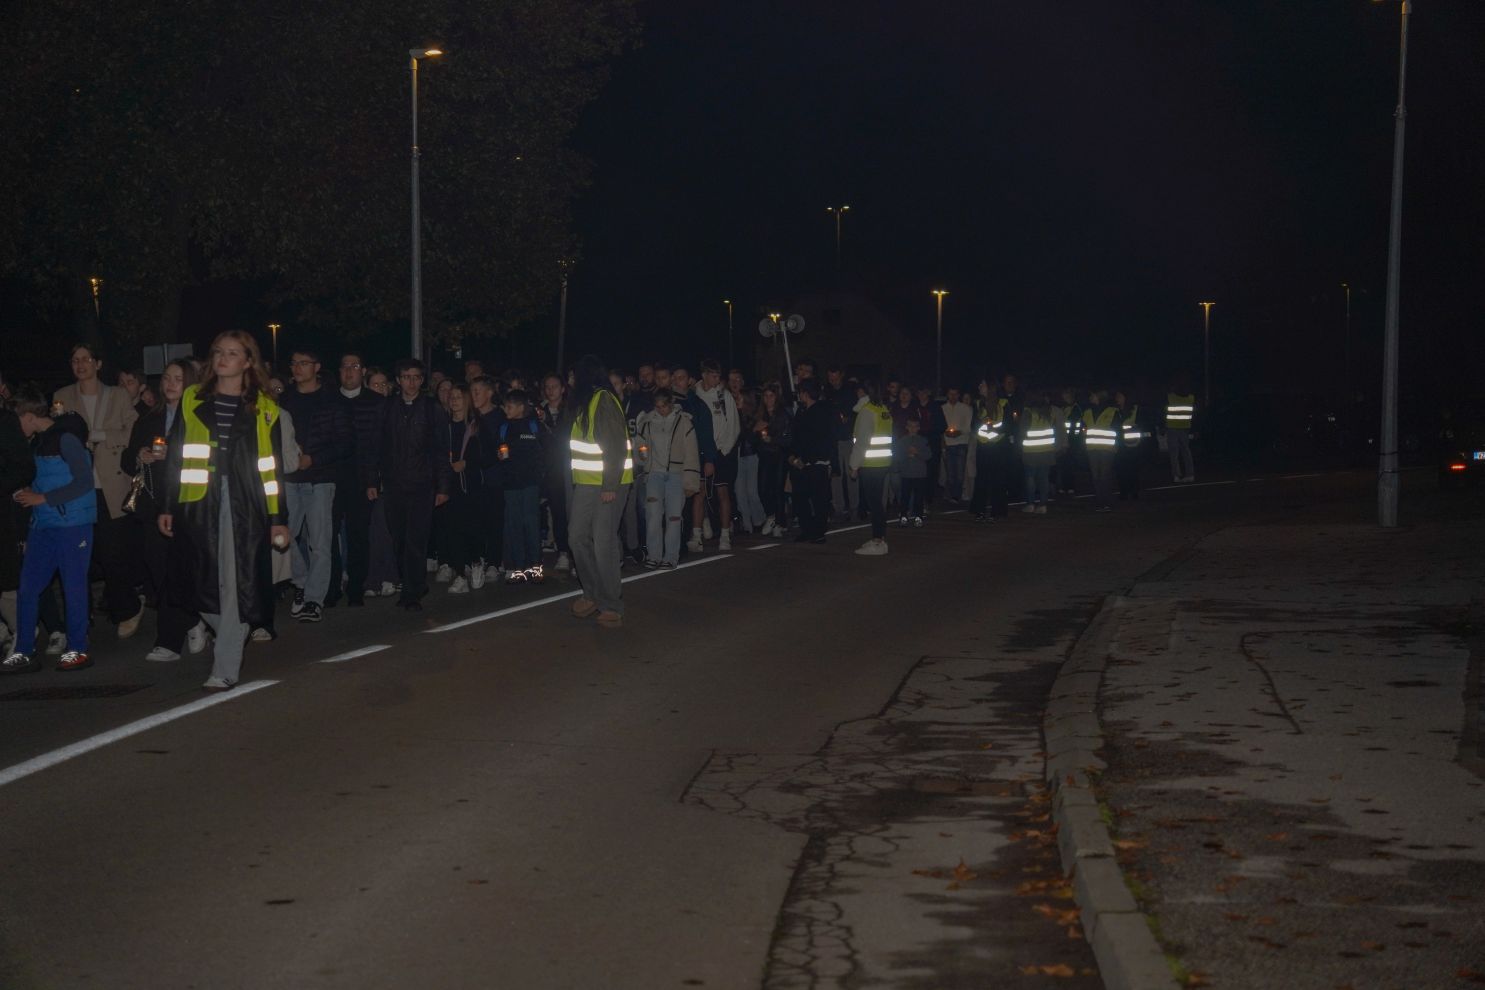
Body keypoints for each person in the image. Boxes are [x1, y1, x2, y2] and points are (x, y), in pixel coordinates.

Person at [158, 331, 290, 691]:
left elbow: (271, 467)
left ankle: (226, 663)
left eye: (232, 353)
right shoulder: (191, 399)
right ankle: (236, 629)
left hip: (247, 504)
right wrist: (168, 505)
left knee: (235, 583)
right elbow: (177, 455)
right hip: (200, 502)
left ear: (248, 362)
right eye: (218, 352)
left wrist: (278, 519)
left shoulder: (265, 407)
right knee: (197, 581)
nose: (222, 358)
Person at [2, 387, 97, 673]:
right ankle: (24, 651)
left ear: (29, 417)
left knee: (74, 587)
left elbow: (84, 482)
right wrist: (33, 492)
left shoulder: (66, 438)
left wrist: (42, 498)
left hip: (72, 525)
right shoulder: (38, 443)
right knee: (28, 587)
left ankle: (77, 649)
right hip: (43, 524)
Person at [52, 343, 142, 637]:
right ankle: (82, 616)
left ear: (98, 364)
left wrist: (100, 435)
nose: (80, 365)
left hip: (110, 486)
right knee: (81, 557)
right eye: (75, 360)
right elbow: (55, 435)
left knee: (113, 554)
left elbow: (134, 431)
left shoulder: (116, 395)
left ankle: (127, 608)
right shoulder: (62, 397)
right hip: (77, 487)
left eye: (86, 359)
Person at [122, 359, 208, 660]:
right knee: (158, 567)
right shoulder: (148, 418)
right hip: (153, 503)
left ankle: (169, 640)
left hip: (189, 502)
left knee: (184, 569)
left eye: (178, 378)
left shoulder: (200, 416)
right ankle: (191, 619)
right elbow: (126, 457)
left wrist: (178, 455)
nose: (171, 383)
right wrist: (140, 456)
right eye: (167, 378)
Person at [366, 359, 453, 610]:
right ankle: (411, 582)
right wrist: (372, 480)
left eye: (416, 377)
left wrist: (443, 487)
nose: (411, 382)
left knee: (416, 539)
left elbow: (441, 450)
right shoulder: (386, 408)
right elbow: (375, 446)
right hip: (394, 484)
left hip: (422, 484)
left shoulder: (431, 408)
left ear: (422, 380)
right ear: (399, 380)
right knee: (399, 539)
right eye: (406, 377)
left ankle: (412, 592)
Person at [279, 349, 352, 622]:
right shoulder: (284, 399)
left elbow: (345, 443)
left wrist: (313, 458)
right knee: (283, 535)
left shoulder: (332, 400)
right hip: (289, 478)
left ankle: (313, 600)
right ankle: (301, 581)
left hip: (320, 479)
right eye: (294, 363)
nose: (297, 368)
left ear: (317, 367)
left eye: (303, 363)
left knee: (320, 542)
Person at [566, 355, 632, 628]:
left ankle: (611, 604)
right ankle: (592, 593)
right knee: (576, 537)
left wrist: (609, 485)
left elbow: (615, 445)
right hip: (587, 483)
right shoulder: (584, 404)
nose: (569, 380)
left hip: (608, 483)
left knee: (603, 541)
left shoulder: (603, 399)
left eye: (572, 375)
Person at [326, 352, 384, 607]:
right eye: (344, 367)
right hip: (331, 478)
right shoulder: (328, 400)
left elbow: (378, 445)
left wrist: (373, 480)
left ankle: (357, 587)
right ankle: (331, 586)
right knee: (326, 535)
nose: (349, 371)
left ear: (363, 371)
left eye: (354, 366)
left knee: (358, 534)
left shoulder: (376, 402)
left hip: (362, 480)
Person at [635, 387, 699, 568]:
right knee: (653, 515)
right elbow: (639, 445)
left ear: (671, 404)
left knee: (674, 517)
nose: (661, 410)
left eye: (664, 406)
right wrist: (642, 454)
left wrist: (691, 481)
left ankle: (671, 556)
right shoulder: (647, 422)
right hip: (654, 473)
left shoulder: (684, 422)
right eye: (657, 406)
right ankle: (654, 555)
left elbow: (691, 453)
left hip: (675, 475)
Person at [437, 382, 488, 593]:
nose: (454, 400)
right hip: (450, 487)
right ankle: (459, 575)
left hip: (471, 487)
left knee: (472, 529)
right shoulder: (444, 426)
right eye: (452, 396)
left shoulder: (477, 426)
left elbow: (490, 455)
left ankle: (476, 562)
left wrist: (467, 463)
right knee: (453, 530)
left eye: (459, 396)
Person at [496, 389, 546, 582]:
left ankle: (535, 566)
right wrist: (500, 456)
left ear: (520, 407)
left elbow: (545, 453)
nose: (506, 409)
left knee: (531, 523)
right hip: (511, 484)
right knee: (513, 524)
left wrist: (543, 481)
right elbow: (498, 449)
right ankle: (518, 567)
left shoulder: (534, 426)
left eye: (509, 406)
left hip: (531, 484)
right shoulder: (504, 428)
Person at [694, 360, 739, 551]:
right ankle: (697, 534)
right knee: (699, 492)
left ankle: (725, 534)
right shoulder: (694, 394)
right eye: (713, 375)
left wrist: (724, 450)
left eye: (718, 376)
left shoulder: (724, 395)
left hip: (721, 451)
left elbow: (734, 426)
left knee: (722, 492)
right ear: (704, 375)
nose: (717, 380)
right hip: (700, 452)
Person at [0, 394, 32, 658]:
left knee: (7, 578)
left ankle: (22, 633)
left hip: (3, 513)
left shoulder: (6, 422)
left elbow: (24, 468)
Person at [848, 381, 894, 556]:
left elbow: (862, 442)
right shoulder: (882, 409)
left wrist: (854, 465)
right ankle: (878, 538)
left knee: (874, 503)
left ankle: (878, 540)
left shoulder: (867, 411)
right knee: (877, 503)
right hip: (882, 462)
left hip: (870, 463)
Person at [786, 379, 833, 544]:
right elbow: (797, 437)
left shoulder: (819, 413)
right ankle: (808, 529)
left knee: (818, 499)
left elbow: (816, 440)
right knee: (801, 498)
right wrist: (792, 456)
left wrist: (803, 459)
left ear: (805, 394)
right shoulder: (803, 412)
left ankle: (818, 531)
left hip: (815, 463)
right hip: (803, 462)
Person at [469, 374, 506, 582]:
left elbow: (504, 442)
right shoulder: (472, 417)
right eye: (472, 391)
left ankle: (494, 561)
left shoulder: (499, 417)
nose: (473, 396)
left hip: (494, 477)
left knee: (494, 520)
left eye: (477, 391)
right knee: (477, 520)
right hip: (475, 478)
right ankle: (479, 558)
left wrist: (502, 455)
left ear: (489, 393)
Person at [536, 373, 572, 573]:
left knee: (566, 513)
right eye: (547, 387)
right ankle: (558, 552)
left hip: (567, 468)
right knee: (550, 511)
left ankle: (569, 553)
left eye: (554, 386)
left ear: (563, 388)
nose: (551, 390)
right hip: (547, 470)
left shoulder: (570, 410)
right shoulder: (538, 412)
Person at [752, 384, 791, 537]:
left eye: (771, 396)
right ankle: (771, 516)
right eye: (766, 396)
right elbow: (750, 437)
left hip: (779, 455)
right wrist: (755, 431)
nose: (768, 399)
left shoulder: (783, 414)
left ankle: (780, 523)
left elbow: (788, 438)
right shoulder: (759, 414)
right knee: (762, 488)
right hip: (764, 456)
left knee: (778, 489)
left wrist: (773, 439)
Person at [969, 378, 1007, 523]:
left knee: (997, 480)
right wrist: (981, 422)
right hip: (983, 446)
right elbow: (973, 425)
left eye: (982, 385)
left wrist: (995, 428)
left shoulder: (1003, 404)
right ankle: (979, 510)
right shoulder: (978, 404)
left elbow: (1010, 426)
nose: (979, 386)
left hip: (998, 447)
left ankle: (997, 511)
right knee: (982, 480)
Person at [1019, 391, 1062, 515]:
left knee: (1030, 477)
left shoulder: (1028, 413)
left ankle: (1031, 503)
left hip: (1030, 451)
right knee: (1044, 478)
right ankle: (1043, 504)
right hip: (1047, 451)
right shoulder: (1049, 413)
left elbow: (1022, 432)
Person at [733, 389, 767, 534]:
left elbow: (749, 436)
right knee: (739, 491)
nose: (737, 402)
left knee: (752, 491)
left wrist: (752, 431)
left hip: (752, 455)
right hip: (738, 455)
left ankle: (759, 519)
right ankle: (747, 524)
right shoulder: (735, 416)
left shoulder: (755, 416)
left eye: (740, 400)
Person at [1083, 389, 1119, 513]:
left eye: (1092, 394)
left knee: (1104, 475)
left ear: (1098, 396)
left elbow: (1117, 430)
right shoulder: (1087, 412)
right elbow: (1084, 428)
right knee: (1096, 476)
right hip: (1092, 448)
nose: (1090, 397)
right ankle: (1100, 501)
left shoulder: (1112, 411)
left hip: (1107, 448)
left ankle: (1107, 501)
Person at [897, 416, 930, 527]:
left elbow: (928, 455)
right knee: (905, 496)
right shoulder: (902, 441)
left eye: (915, 426)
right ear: (906, 427)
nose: (912, 429)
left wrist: (917, 453)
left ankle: (918, 516)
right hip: (906, 473)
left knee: (919, 497)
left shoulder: (923, 440)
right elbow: (897, 455)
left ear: (918, 428)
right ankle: (903, 515)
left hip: (919, 473)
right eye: (910, 426)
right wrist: (907, 454)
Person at [940, 386, 972, 503]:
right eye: (950, 394)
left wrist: (959, 432)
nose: (953, 397)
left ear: (958, 395)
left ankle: (956, 495)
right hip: (948, 443)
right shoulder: (943, 408)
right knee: (949, 471)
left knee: (959, 471)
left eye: (955, 394)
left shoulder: (966, 408)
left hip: (961, 443)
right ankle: (950, 494)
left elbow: (968, 427)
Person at [1165, 372, 1196, 483]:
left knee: (1174, 453)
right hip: (1185, 427)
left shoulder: (1170, 397)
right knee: (1186, 452)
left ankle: (1176, 475)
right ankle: (1190, 474)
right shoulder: (1191, 398)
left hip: (1172, 427)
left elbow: (1163, 412)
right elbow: (1194, 414)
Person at [1115, 389, 1144, 502]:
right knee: (1121, 470)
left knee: (1132, 469)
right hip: (1120, 445)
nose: (1117, 398)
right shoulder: (1115, 411)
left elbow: (1141, 425)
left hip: (1133, 445)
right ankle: (1124, 492)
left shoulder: (1135, 409)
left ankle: (1134, 491)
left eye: (1119, 396)